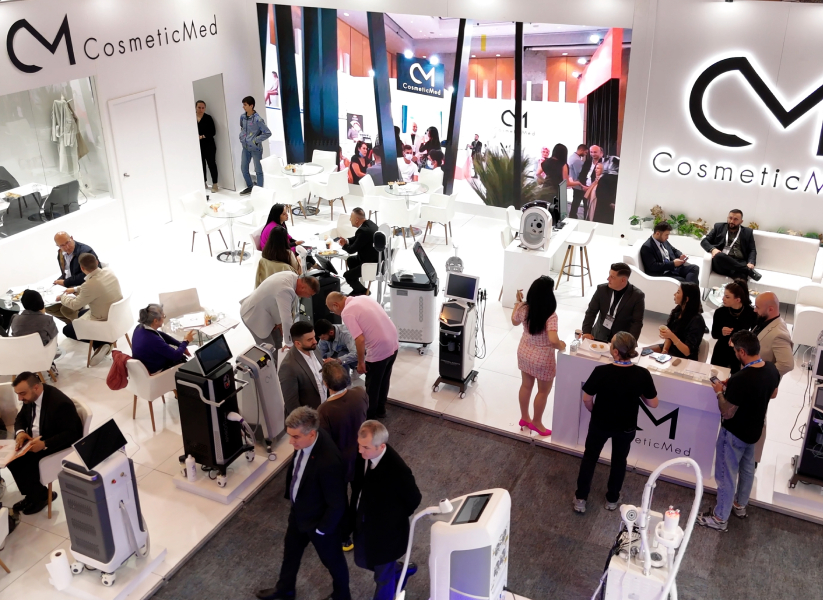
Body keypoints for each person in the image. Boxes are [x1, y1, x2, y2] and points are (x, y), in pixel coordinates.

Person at [256, 407, 350, 600]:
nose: (291, 441)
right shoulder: (307, 441)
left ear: (312, 434)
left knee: (333, 562)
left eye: (295, 437)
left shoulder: (329, 461)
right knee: (291, 552)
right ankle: (285, 589)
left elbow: (337, 503)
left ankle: (342, 596)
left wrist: (322, 530)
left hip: (319, 523)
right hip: (299, 513)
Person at [697, 331, 779, 531]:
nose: (734, 353)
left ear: (742, 352)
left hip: (734, 433)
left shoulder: (741, 378)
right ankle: (740, 505)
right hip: (754, 430)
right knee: (747, 470)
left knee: (726, 475)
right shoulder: (771, 369)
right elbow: (773, 393)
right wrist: (735, 387)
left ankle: (719, 518)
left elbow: (727, 412)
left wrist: (719, 392)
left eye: (735, 350)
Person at [574, 332, 659, 513]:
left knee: (590, 458)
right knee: (619, 461)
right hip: (626, 426)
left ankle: (581, 498)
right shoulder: (642, 374)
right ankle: (612, 499)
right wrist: (638, 392)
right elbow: (653, 403)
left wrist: (593, 410)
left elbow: (587, 398)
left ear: (615, 351)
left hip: (600, 423)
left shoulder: (601, 372)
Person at [347, 421, 422, 600]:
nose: (360, 450)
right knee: (364, 561)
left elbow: (414, 499)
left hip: (386, 535)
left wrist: (391, 520)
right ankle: (401, 570)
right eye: (359, 445)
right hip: (364, 524)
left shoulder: (398, 471)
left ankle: (392, 576)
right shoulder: (364, 455)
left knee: (383, 578)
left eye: (365, 447)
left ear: (381, 446)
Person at [9, 372, 83, 515]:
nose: (20, 398)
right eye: (17, 394)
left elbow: (73, 433)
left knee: (24, 463)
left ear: (36, 388)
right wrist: (20, 432)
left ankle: (40, 498)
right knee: (12, 460)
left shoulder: (60, 403)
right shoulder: (31, 397)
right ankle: (34, 494)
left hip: (55, 444)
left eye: (22, 394)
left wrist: (44, 444)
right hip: (36, 440)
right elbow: (20, 418)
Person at [326, 292, 398, 419]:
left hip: (378, 348)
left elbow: (359, 340)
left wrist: (360, 362)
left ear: (336, 305)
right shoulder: (363, 298)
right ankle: (381, 409)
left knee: (372, 386)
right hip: (393, 342)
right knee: (384, 379)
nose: (335, 313)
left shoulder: (347, 312)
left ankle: (370, 417)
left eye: (332, 310)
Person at [511, 276, 566, 437]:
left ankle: (524, 417)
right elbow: (553, 340)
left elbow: (514, 321)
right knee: (543, 391)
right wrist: (561, 345)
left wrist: (517, 302)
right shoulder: (550, 315)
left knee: (526, 386)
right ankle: (537, 422)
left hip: (524, 352)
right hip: (542, 359)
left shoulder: (524, 307)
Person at [751, 291, 794, 464]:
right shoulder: (765, 322)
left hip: (759, 384)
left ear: (770, 309)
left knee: (758, 419)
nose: (755, 310)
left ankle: (753, 459)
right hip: (751, 380)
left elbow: (787, 364)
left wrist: (764, 376)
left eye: (757, 307)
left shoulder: (778, 333)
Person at [60, 253, 123, 366]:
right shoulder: (109, 271)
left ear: (82, 268)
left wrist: (62, 297)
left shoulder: (89, 285)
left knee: (67, 330)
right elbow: (93, 287)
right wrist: (75, 289)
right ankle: (101, 344)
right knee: (81, 314)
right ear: (97, 262)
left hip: (103, 319)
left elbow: (74, 305)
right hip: (118, 313)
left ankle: (103, 342)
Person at [239, 273, 319, 350]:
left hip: (268, 311)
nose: (308, 297)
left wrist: (279, 322)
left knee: (278, 340)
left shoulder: (293, 277)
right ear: (303, 287)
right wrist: (289, 343)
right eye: (309, 294)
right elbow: (286, 319)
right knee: (269, 349)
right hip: (254, 315)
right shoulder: (285, 289)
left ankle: (278, 358)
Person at [318, 362, 369, 483]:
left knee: (340, 488)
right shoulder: (360, 392)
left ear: (326, 384)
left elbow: (325, 442)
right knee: (359, 484)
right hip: (363, 451)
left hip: (340, 460)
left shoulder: (323, 410)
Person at [582, 263, 645, 342]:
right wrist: (586, 331)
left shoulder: (637, 296)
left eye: (612, 277)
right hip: (598, 334)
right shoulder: (601, 290)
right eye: (609, 275)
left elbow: (637, 323)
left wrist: (630, 343)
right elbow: (591, 312)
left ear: (623, 280)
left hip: (620, 340)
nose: (608, 278)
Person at [47, 232, 99, 324]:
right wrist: (59, 281)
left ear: (71, 238)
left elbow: (90, 273)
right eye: (62, 245)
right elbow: (67, 272)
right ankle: (73, 324)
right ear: (58, 246)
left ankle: (81, 325)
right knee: (49, 307)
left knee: (66, 309)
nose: (66, 247)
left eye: (67, 242)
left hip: (83, 286)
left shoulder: (85, 252)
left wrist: (65, 282)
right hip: (70, 286)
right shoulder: (61, 254)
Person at [131, 304, 195, 374]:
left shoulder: (140, 327)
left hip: (146, 364)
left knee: (180, 351)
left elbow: (161, 334)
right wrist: (186, 341)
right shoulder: (153, 340)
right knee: (185, 361)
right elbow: (176, 355)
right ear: (155, 321)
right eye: (163, 316)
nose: (164, 318)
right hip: (156, 370)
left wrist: (180, 344)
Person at [279, 321, 326, 415]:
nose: (315, 341)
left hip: (324, 411)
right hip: (309, 417)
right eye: (310, 339)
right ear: (298, 343)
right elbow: (292, 404)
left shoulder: (314, 348)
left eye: (314, 337)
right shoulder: (288, 367)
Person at [710, 280, 757, 373]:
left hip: (740, 352)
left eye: (727, 297)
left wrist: (742, 339)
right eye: (724, 295)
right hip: (721, 350)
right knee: (715, 376)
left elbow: (755, 335)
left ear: (738, 300)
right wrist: (722, 332)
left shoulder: (751, 313)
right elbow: (714, 334)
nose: (723, 299)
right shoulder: (720, 312)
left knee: (736, 378)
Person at [649, 282, 705, 360]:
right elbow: (670, 333)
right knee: (642, 352)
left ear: (686, 299)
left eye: (678, 292)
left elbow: (687, 352)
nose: (674, 294)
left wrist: (671, 335)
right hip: (671, 348)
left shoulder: (697, 321)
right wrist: (665, 349)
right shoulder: (678, 310)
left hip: (684, 358)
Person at [700, 209, 761, 281]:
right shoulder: (719, 227)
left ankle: (744, 271)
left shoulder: (747, 232)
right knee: (719, 255)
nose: (732, 221)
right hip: (722, 263)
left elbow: (752, 249)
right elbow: (704, 241)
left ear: (741, 221)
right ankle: (747, 270)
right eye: (730, 218)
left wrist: (751, 262)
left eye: (735, 219)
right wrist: (713, 249)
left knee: (741, 282)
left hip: (739, 262)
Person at [339, 208, 378, 297]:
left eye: (351, 217)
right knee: (351, 260)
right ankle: (357, 288)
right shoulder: (370, 224)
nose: (350, 219)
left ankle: (363, 292)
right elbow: (359, 238)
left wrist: (344, 245)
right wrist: (347, 241)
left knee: (347, 275)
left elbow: (351, 250)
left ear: (356, 220)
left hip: (371, 264)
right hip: (373, 258)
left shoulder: (363, 231)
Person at [239, 95, 272, 196]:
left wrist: (255, 140)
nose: (243, 107)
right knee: (243, 168)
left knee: (258, 170)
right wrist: (242, 137)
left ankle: (260, 191)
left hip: (256, 149)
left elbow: (268, 133)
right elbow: (242, 128)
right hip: (245, 147)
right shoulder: (242, 117)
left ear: (251, 105)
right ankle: (250, 187)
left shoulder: (258, 119)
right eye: (243, 105)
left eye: (245, 105)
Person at [570, 145, 601, 220]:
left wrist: (590, 188)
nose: (593, 154)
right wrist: (583, 186)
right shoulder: (588, 161)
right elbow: (582, 174)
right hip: (583, 187)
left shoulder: (603, 162)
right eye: (591, 152)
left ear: (600, 152)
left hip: (594, 189)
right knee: (581, 205)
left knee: (590, 208)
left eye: (595, 152)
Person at [196, 100, 218, 193]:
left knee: (211, 164)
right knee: (201, 165)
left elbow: (213, 132)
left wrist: (202, 136)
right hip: (197, 146)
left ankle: (215, 184)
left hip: (209, 145)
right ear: (196, 108)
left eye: (203, 108)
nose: (201, 109)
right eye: (199, 107)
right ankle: (203, 182)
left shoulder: (208, 118)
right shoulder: (192, 118)